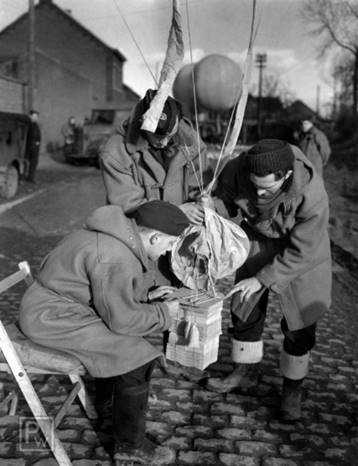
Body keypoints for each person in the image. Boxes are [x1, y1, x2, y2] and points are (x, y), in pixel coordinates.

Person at [19, 200, 190, 464]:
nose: (168, 252)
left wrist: (146, 295)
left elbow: (99, 290)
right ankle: (130, 445)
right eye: (169, 245)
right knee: (137, 355)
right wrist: (165, 314)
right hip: (52, 318)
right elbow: (121, 321)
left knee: (126, 344)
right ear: (155, 237)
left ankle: (109, 404)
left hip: (53, 309)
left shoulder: (112, 234)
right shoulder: (114, 254)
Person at [205, 139, 332, 421]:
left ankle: (292, 389)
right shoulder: (238, 168)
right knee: (244, 307)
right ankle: (244, 372)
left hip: (302, 254)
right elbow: (228, 202)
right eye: (255, 185)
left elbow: (304, 251)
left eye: (267, 188)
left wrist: (263, 280)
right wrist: (212, 207)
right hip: (259, 241)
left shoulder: (313, 195)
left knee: (300, 322)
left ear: (286, 176)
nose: (259, 192)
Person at [100, 88, 212, 226]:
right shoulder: (116, 152)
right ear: (143, 123)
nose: (164, 143)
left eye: (170, 136)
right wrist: (176, 213)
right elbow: (128, 205)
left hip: (183, 229)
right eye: (157, 137)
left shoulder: (192, 143)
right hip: (138, 233)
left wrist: (204, 202)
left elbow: (200, 186)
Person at [25, 109, 41, 183]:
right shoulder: (27, 124)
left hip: (35, 147)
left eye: (36, 117)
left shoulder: (36, 125)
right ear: (30, 116)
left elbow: (38, 136)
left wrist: (37, 142)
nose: (35, 118)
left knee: (34, 162)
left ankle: (31, 178)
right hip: (27, 147)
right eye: (34, 116)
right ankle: (22, 177)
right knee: (25, 162)